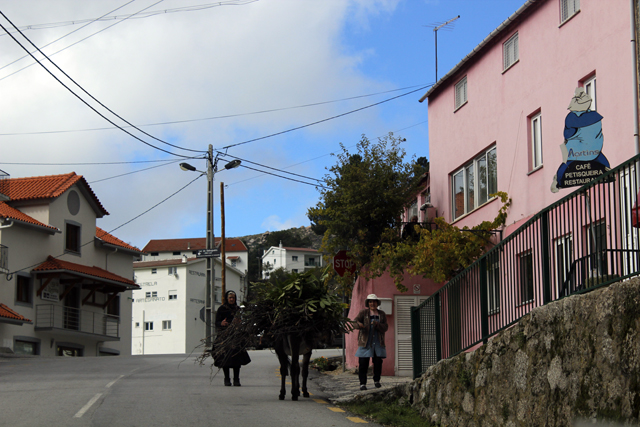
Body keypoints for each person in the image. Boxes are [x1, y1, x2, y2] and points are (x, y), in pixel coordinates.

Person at [214, 290, 251, 386]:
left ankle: (236, 379)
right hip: (224, 336)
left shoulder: (238, 309)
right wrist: (222, 323)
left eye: (233, 298)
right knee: (224, 358)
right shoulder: (221, 309)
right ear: (227, 298)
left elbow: (242, 320)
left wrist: (239, 323)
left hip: (236, 336)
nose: (231, 299)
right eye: (230, 298)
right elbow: (217, 322)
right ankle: (227, 379)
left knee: (236, 358)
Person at [353, 293, 388, 390]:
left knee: (377, 363)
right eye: (370, 302)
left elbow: (385, 327)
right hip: (365, 342)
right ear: (368, 303)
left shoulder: (382, 314)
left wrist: (378, 325)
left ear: (377, 303)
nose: (372, 303)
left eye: (374, 302)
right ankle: (362, 383)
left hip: (378, 342)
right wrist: (359, 324)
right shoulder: (363, 313)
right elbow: (354, 322)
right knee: (363, 363)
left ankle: (377, 381)